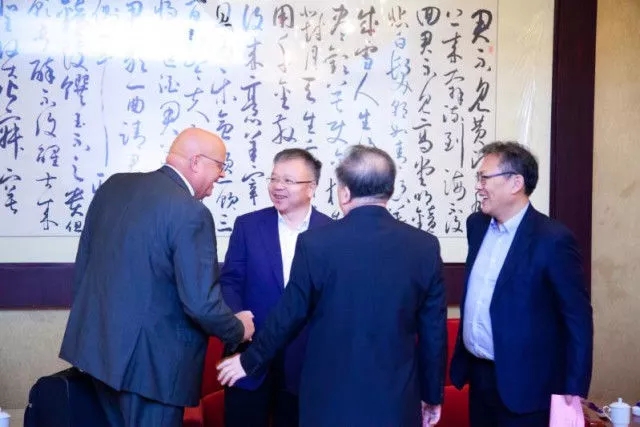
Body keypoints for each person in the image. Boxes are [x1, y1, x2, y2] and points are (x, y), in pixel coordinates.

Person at [217, 145, 447, 427]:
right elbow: (433, 331)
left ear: (345, 192)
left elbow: (289, 314)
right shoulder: (425, 246)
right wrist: (432, 395)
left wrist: (249, 361)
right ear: (389, 190)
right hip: (396, 399)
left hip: (328, 398)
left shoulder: (317, 243)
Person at [59, 128, 255, 427]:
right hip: (153, 370)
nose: (220, 176)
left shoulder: (114, 187)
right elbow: (201, 304)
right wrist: (238, 330)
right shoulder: (191, 213)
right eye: (219, 167)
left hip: (98, 354)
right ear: (196, 162)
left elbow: (85, 262)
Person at [449, 141, 593, 427]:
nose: (478, 186)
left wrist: (573, 388)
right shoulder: (476, 225)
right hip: (479, 377)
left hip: (527, 386)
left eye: (484, 178)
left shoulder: (552, 239)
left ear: (515, 183)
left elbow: (577, 318)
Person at [220, 148, 332, 427]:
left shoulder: (331, 233)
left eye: (288, 180)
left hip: (307, 359)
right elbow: (230, 280)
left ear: (311, 188)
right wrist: (237, 316)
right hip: (249, 352)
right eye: (274, 178)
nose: (278, 186)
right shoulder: (248, 225)